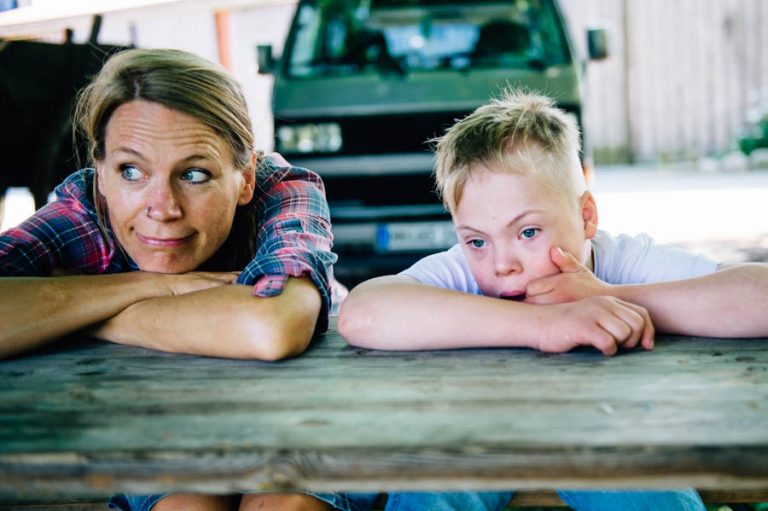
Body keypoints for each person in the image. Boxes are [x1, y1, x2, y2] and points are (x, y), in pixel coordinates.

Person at [336, 90, 768, 511]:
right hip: (477, 436)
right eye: (476, 240)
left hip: (606, 432)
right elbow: (362, 313)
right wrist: (546, 325)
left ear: (586, 217)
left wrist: (607, 297)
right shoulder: (463, 271)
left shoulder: (622, 261)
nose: (502, 264)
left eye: (527, 232)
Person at [0, 48, 339, 511]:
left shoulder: (282, 190)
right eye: (131, 171)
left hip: (301, 414)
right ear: (99, 173)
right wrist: (149, 287)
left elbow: (272, 327)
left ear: (244, 178)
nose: (162, 207)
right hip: (165, 425)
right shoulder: (86, 210)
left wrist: (80, 315)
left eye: (195, 174)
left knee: (287, 506)